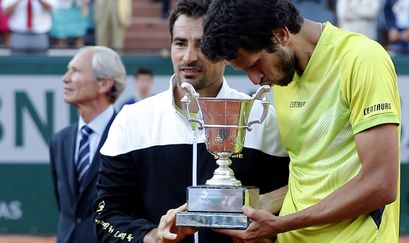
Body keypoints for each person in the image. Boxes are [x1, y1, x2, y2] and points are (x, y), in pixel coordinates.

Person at [201, 0, 401, 242]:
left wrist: (281, 224)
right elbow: (309, 172)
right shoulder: (283, 72)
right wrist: (259, 205)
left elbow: (380, 184)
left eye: (255, 64)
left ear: (281, 34)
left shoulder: (362, 59)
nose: (255, 80)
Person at [94, 0, 290, 242]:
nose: (189, 56)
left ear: (226, 52)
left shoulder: (263, 120)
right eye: (180, 43)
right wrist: (151, 236)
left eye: (202, 44)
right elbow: (106, 217)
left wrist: (266, 237)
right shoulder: (132, 120)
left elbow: (290, 207)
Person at [49, 46, 126, 243]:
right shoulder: (60, 140)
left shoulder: (129, 139)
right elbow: (66, 207)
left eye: (75, 70)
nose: (65, 78)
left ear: (104, 84)